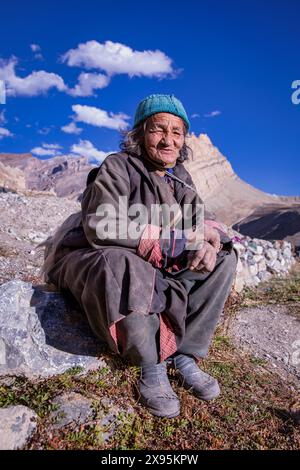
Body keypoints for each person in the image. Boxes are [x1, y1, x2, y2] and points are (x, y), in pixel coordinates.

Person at [42, 94, 237, 418]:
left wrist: (209, 241)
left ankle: (185, 354)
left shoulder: (180, 181)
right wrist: (170, 239)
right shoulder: (118, 167)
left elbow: (204, 220)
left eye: (177, 132)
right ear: (140, 133)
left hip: (153, 264)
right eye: (159, 129)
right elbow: (100, 226)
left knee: (223, 259)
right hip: (95, 258)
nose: (168, 140)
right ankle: (150, 362)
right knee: (124, 263)